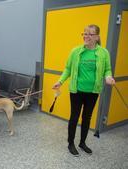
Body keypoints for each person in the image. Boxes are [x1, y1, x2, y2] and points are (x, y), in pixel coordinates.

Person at [52, 24, 115, 156]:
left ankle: (82, 143)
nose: (86, 36)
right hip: (76, 91)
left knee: (87, 117)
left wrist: (108, 77)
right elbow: (68, 69)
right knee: (74, 117)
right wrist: (60, 81)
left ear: (97, 37)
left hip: (93, 92)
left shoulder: (104, 53)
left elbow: (107, 69)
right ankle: (71, 143)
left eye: (90, 34)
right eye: (85, 33)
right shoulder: (75, 51)